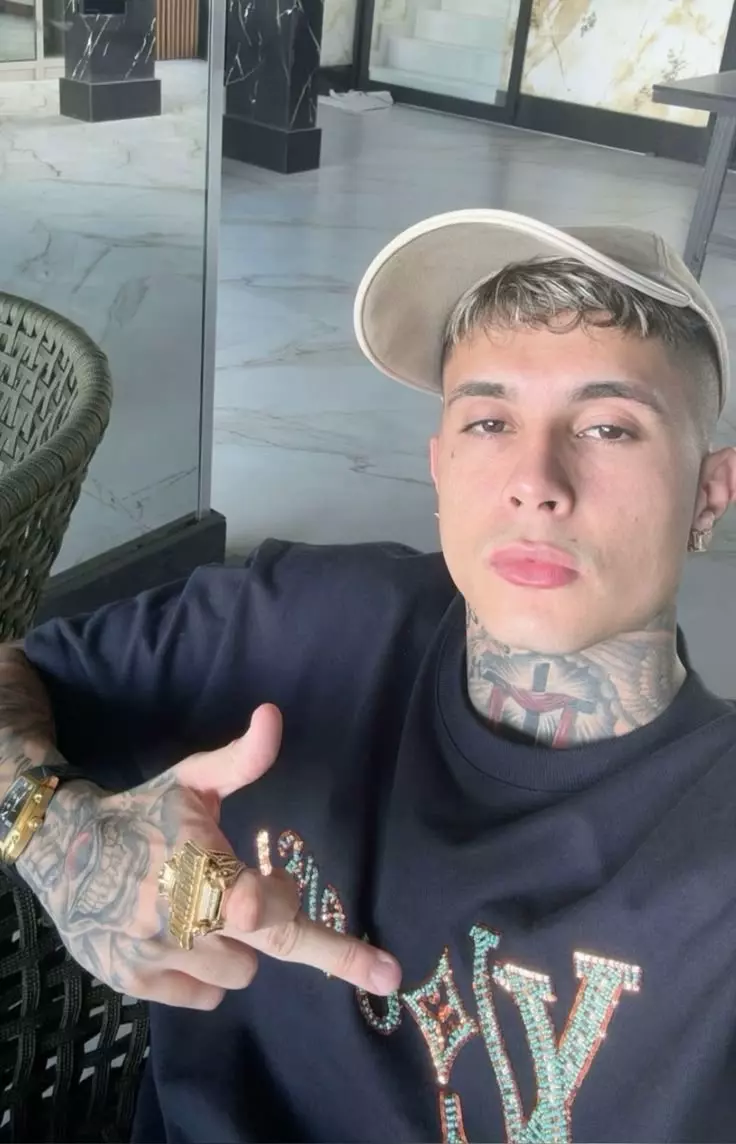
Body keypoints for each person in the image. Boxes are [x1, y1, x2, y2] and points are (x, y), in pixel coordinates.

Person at [1, 208, 736, 1144]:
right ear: (438, 468)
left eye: (607, 426)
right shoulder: (298, 622)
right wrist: (53, 830)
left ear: (709, 493)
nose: (535, 480)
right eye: (489, 420)